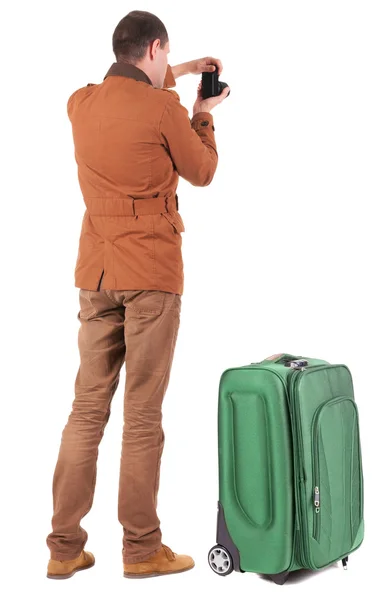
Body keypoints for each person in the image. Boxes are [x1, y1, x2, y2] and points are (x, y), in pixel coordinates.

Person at [45, 9, 229, 580]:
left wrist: (183, 69)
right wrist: (203, 114)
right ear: (154, 48)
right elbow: (201, 172)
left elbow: (127, 91)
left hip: (96, 271)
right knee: (143, 415)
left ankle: (63, 548)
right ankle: (142, 548)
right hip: (150, 272)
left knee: (86, 409)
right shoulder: (164, 109)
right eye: (166, 56)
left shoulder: (80, 101)